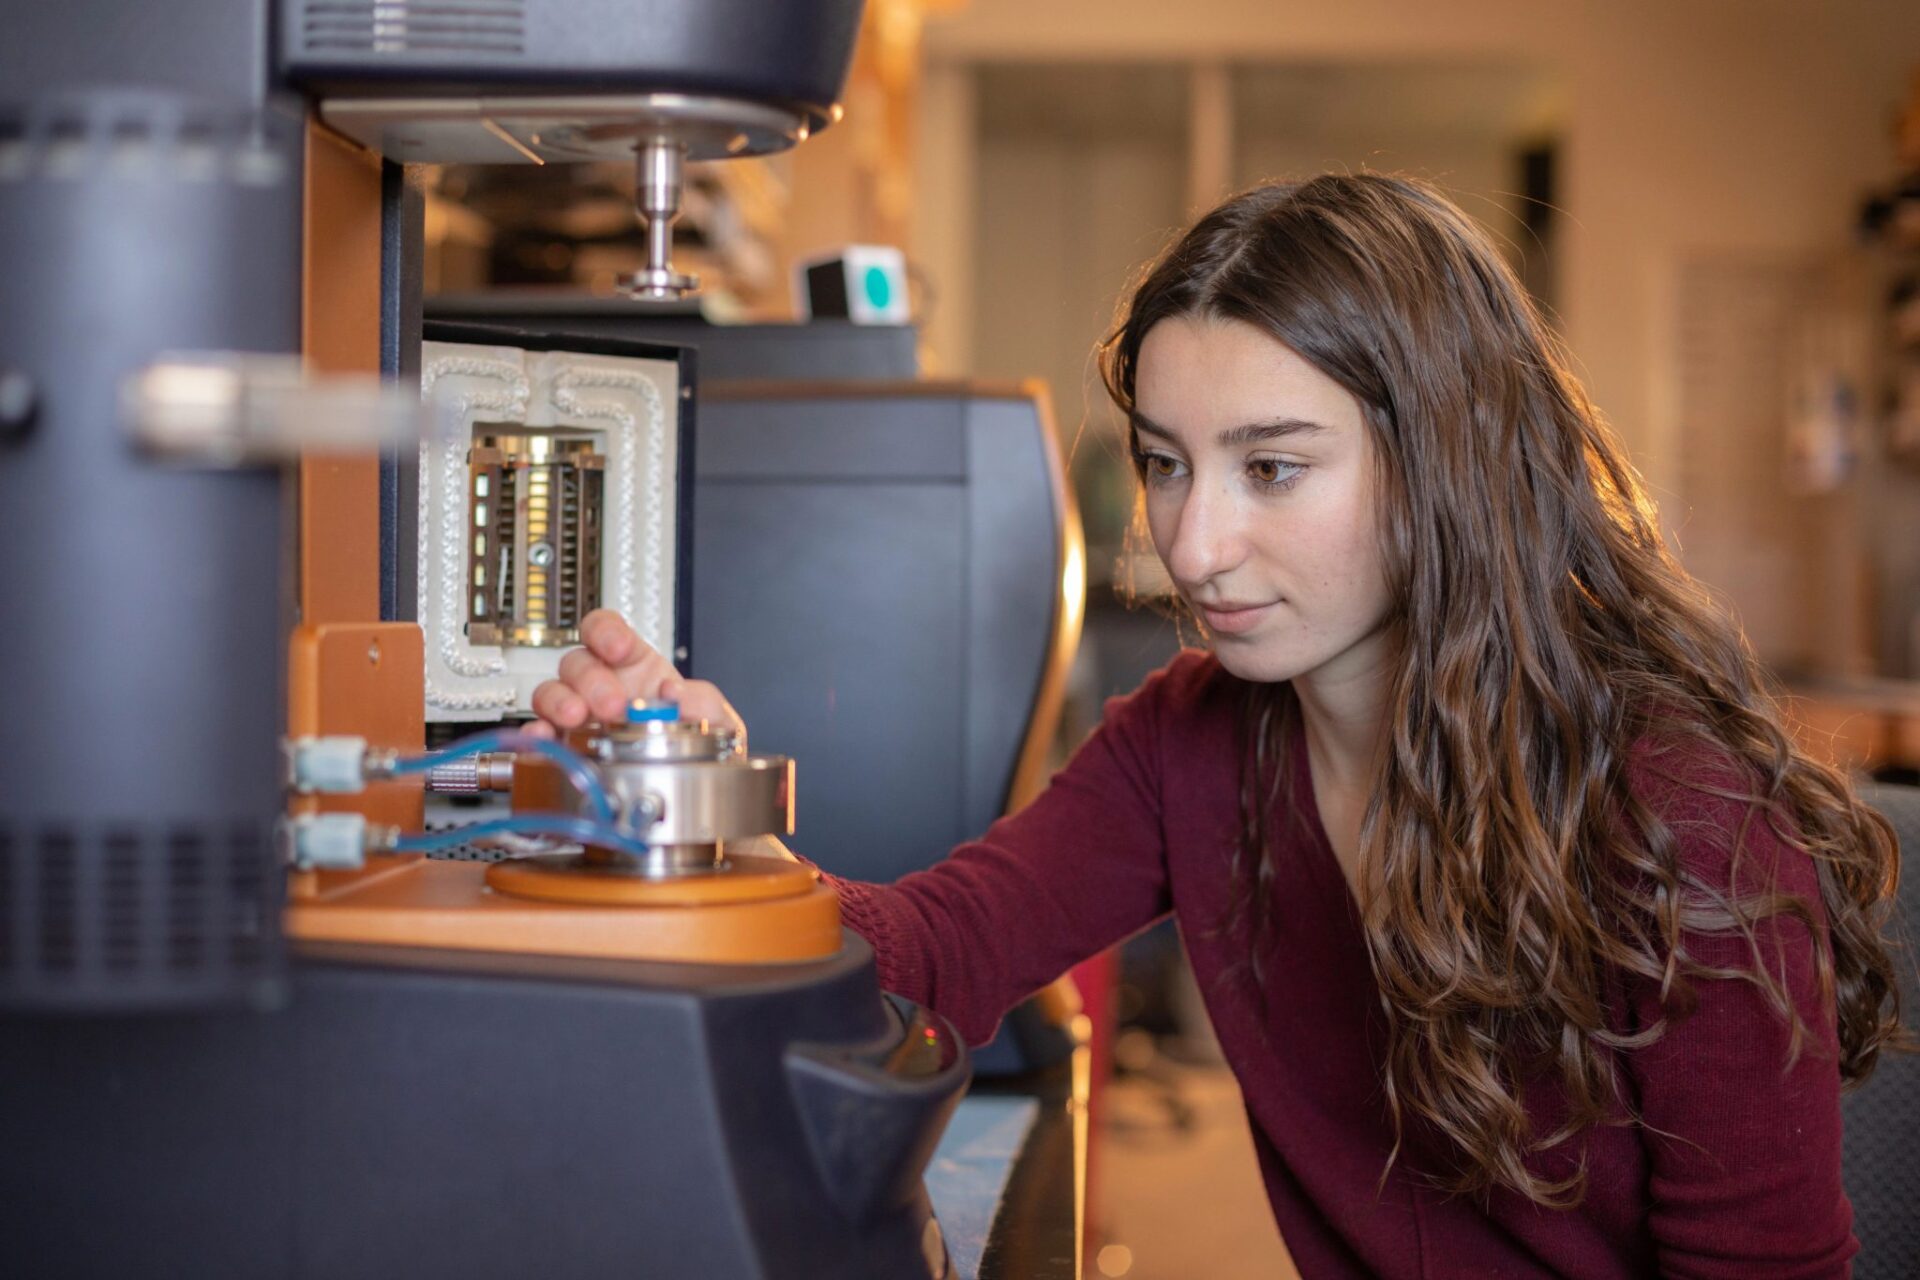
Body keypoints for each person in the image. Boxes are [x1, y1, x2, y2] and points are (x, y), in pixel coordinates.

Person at [528, 174, 1901, 1278]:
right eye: (1168, 467)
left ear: (1452, 461)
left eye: (1273, 468)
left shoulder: (1685, 816)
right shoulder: (1192, 739)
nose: (1191, 545)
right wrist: (698, 806)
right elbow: (931, 957)